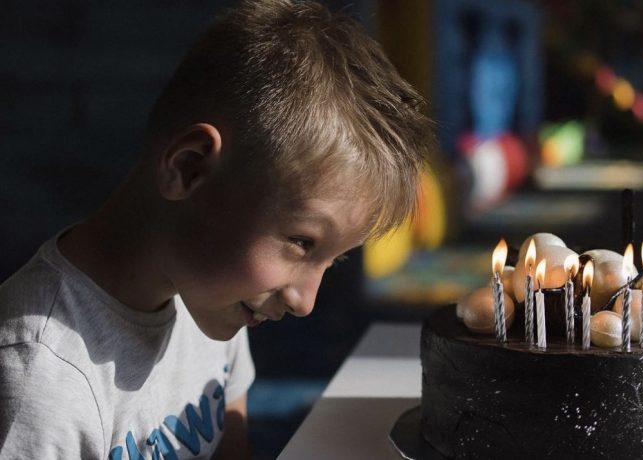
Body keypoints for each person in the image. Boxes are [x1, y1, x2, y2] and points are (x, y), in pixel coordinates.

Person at [0, 0, 433, 458]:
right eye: (302, 242)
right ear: (189, 168)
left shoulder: (208, 290)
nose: (306, 303)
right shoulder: (39, 377)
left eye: (334, 258)